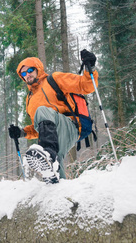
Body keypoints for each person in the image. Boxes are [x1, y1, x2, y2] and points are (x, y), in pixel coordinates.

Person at [8, 49, 98, 184]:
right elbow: (40, 127)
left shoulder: (54, 79)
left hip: (70, 125)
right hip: (53, 135)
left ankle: (48, 154)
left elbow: (86, 85)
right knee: (55, 161)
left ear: (38, 68)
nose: (27, 75)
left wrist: (90, 67)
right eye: (23, 73)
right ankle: (59, 191)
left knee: (42, 112)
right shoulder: (29, 100)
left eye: (30, 70)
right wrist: (22, 132)